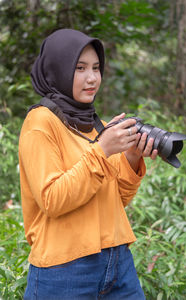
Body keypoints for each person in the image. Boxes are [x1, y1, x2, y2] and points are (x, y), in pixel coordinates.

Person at [19, 28, 157, 300]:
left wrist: (130, 158)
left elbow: (116, 199)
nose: (92, 78)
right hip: (64, 269)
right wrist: (102, 150)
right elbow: (53, 200)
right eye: (80, 68)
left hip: (118, 263)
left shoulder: (96, 125)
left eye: (96, 68)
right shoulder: (40, 123)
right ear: (58, 69)